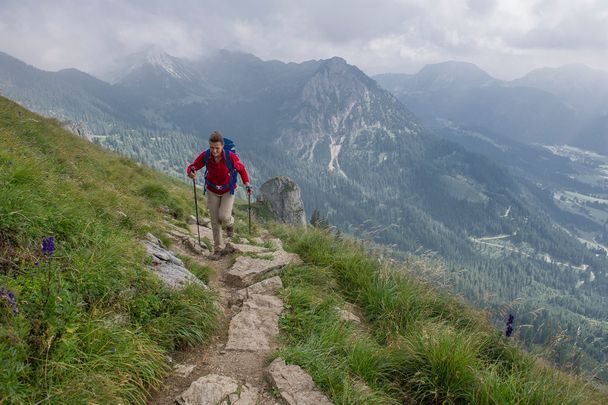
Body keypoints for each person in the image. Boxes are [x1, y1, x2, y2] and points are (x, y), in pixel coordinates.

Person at [187, 131, 252, 259]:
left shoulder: (230, 157)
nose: (214, 151)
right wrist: (191, 172)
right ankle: (218, 249)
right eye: (212, 147)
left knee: (224, 216)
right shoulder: (206, 155)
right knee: (215, 221)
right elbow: (193, 166)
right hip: (212, 190)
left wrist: (247, 184)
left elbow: (242, 169)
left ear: (222, 146)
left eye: (217, 148)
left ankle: (230, 223)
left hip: (228, 190)